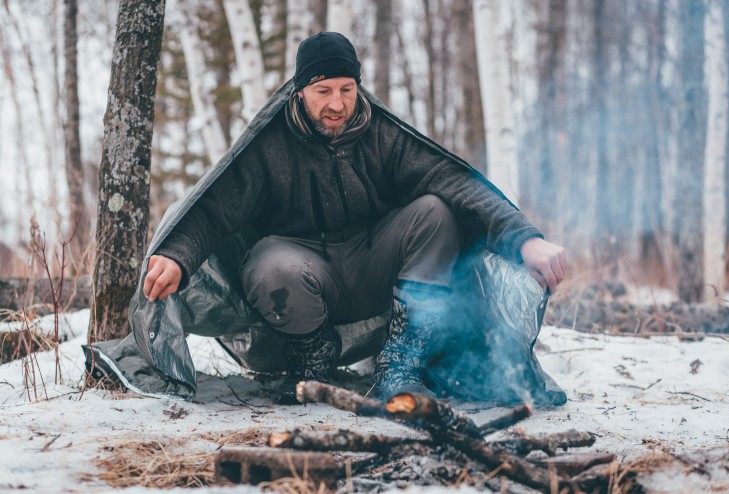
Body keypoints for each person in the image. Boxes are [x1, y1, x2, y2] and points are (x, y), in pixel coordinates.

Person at [142, 32, 566, 400]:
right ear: (300, 91)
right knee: (268, 261)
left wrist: (524, 238)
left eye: (347, 89)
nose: (337, 104)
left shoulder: (381, 132)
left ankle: (401, 363)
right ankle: (313, 358)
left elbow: (454, 179)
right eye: (323, 90)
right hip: (302, 275)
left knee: (436, 212)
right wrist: (177, 254)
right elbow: (216, 205)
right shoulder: (268, 146)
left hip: (373, 264)